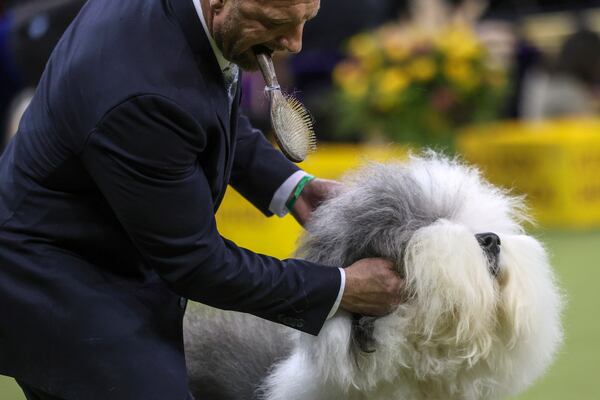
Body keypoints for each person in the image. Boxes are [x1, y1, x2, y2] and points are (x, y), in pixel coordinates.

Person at [0, 0, 404, 399]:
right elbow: (199, 264)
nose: (295, 43)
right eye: (275, 22)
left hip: (101, 254)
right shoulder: (144, 89)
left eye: (306, 20)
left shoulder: (185, 26)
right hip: (56, 281)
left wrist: (293, 186)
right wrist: (340, 287)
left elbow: (203, 109)